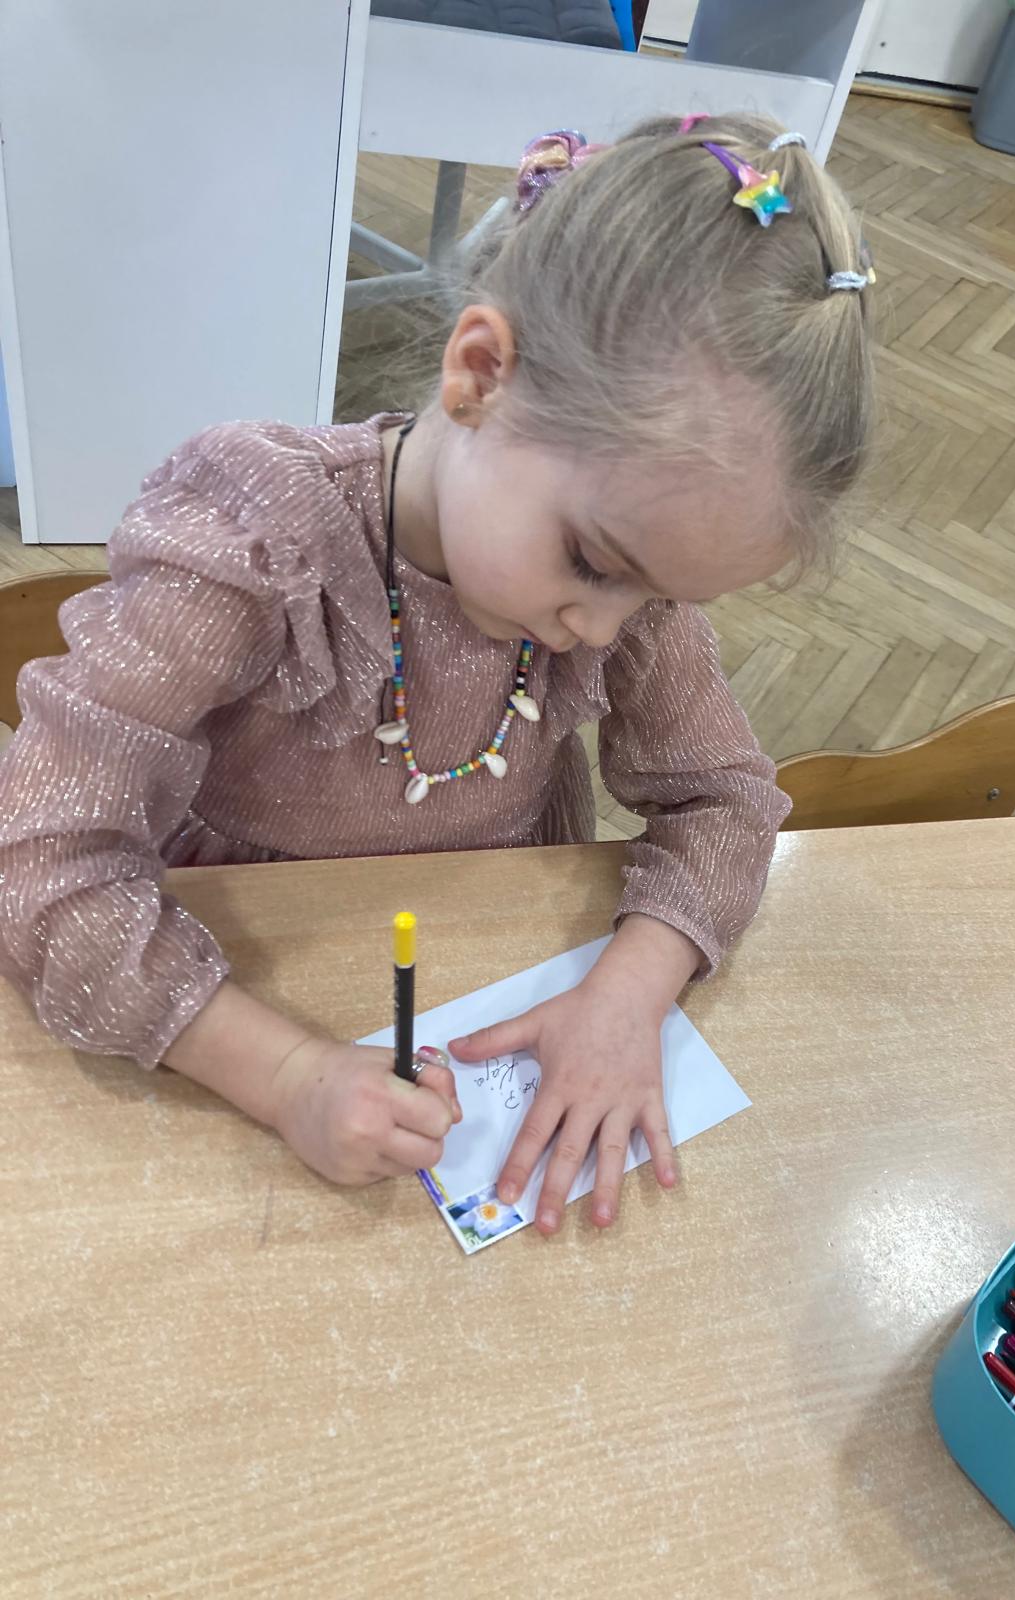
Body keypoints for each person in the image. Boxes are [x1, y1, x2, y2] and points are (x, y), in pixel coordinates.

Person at [0, 113, 873, 1233]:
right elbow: (42, 861)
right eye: (594, 564)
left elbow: (727, 799)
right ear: (480, 374)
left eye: (660, 597)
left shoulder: (625, 584)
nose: (604, 630)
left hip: (479, 972)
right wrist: (286, 1075)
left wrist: (629, 991)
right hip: (228, 989)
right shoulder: (254, 545)